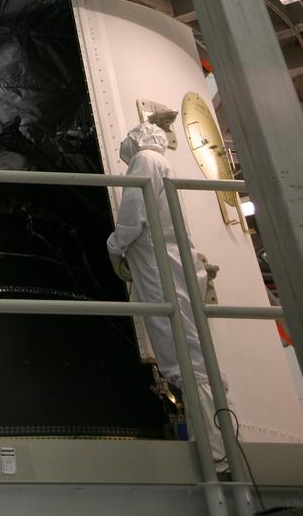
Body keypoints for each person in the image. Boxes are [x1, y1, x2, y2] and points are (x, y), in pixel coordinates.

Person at [107, 123, 228, 470]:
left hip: (157, 262)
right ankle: (216, 444)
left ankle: (214, 452)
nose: (123, 143)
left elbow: (133, 214)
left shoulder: (145, 160)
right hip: (166, 260)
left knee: (178, 347)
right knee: (187, 346)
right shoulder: (159, 162)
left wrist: (114, 247)